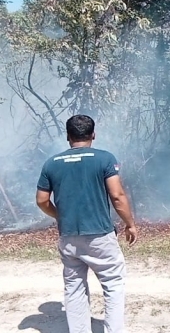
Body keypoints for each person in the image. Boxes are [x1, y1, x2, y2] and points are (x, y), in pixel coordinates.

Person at [35, 114, 138, 333]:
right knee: (113, 284)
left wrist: (59, 215)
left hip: (68, 236)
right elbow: (117, 196)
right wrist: (130, 224)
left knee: (74, 288)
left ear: (67, 136)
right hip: (100, 236)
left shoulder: (51, 163)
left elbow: (42, 201)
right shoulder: (105, 159)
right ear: (93, 134)